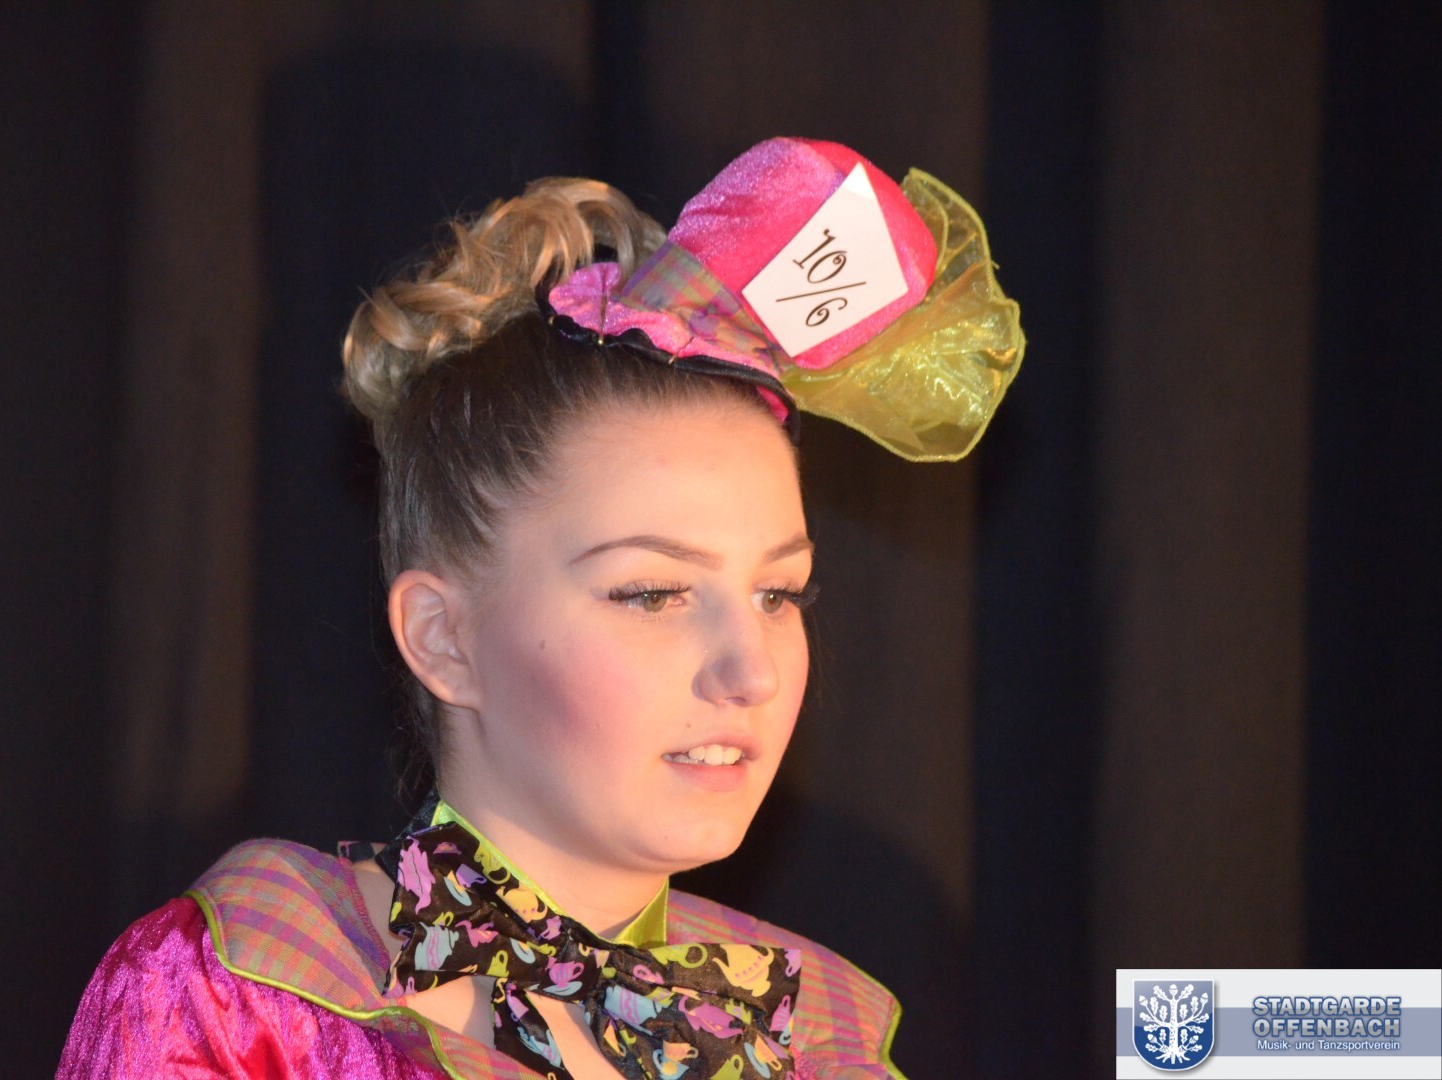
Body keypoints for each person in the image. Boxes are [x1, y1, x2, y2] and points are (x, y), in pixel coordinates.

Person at [57, 136, 1022, 1080]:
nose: (753, 671)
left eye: (777, 593)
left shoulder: (817, 1040)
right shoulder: (244, 997)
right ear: (443, 637)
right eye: (652, 593)